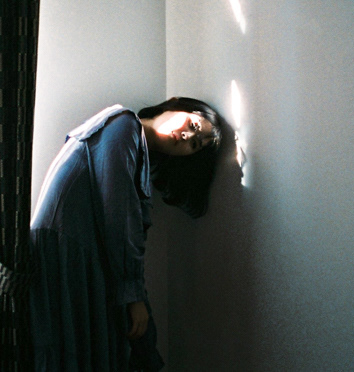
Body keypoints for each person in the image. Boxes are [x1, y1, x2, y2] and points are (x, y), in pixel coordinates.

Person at [29, 97, 222, 371]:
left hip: (80, 253)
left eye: (194, 144)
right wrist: (133, 295)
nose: (187, 136)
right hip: (64, 251)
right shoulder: (124, 125)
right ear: (175, 104)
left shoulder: (135, 147)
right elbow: (119, 213)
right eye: (193, 125)